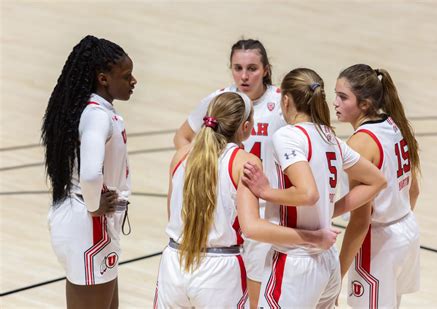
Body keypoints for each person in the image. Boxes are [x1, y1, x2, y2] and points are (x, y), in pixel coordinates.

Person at [155, 92, 338, 308]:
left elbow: (172, 214)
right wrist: (313, 237)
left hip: (174, 261)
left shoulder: (181, 155)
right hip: (220, 270)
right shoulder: (245, 162)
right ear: (246, 126)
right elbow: (252, 227)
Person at [241, 68, 387, 308]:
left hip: (296, 263)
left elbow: (308, 193)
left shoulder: (287, 135)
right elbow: (377, 180)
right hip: (326, 261)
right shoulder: (329, 136)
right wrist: (330, 210)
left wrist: (266, 192)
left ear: (286, 101)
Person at [173, 38, 285, 307]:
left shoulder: (282, 102)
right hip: (224, 211)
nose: (244, 76)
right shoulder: (219, 100)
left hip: (263, 212)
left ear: (266, 69)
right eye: (238, 68)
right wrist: (207, 172)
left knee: (257, 294)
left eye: (252, 68)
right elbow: (182, 137)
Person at [41, 35, 137, 309]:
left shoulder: (88, 109)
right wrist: (95, 206)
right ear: (103, 78)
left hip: (81, 219)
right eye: (126, 75)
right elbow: (91, 173)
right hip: (88, 222)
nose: (133, 81)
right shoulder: (96, 115)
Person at [334, 64, 421, 308]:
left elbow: (361, 221)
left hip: (380, 241)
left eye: (343, 97)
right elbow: (414, 190)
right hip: (406, 230)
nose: (335, 103)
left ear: (364, 104)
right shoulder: (394, 125)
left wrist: (337, 275)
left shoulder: (359, 144)